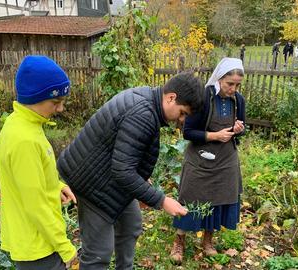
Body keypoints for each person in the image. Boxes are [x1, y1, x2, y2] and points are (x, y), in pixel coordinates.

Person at [56, 72, 205, 270]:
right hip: (90, 183)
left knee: (131, 225)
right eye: (183, 113)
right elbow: (123, 171)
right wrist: (161, 200)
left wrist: (141, 181)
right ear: (171, 98)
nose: (182, 120)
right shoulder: (143, 114)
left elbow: (124, 154)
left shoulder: (147, 100)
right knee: (98, 252)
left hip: (106, 176)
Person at [0, 55, 77, 270]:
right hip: (38, 246)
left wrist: (57, 186)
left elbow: (31, 178)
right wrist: (66, 249)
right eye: (55, 102)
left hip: (36, 239)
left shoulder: (22, 124)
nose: (60, 109)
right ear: (35, 97)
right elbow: (35, 205)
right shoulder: (25, 139)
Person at [169, 58, 246, 263]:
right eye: (230, 84)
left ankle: (208, 241)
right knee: (190, 196)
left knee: (219, 198)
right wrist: (214, 136)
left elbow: (240, 130)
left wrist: (239, 130)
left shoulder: (238, 101)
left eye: (237, 85)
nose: (233, 89)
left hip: (226, 158)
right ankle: (179, 241)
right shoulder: (203, 98)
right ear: (220, 79)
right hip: (200, 157)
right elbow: (188, 132)